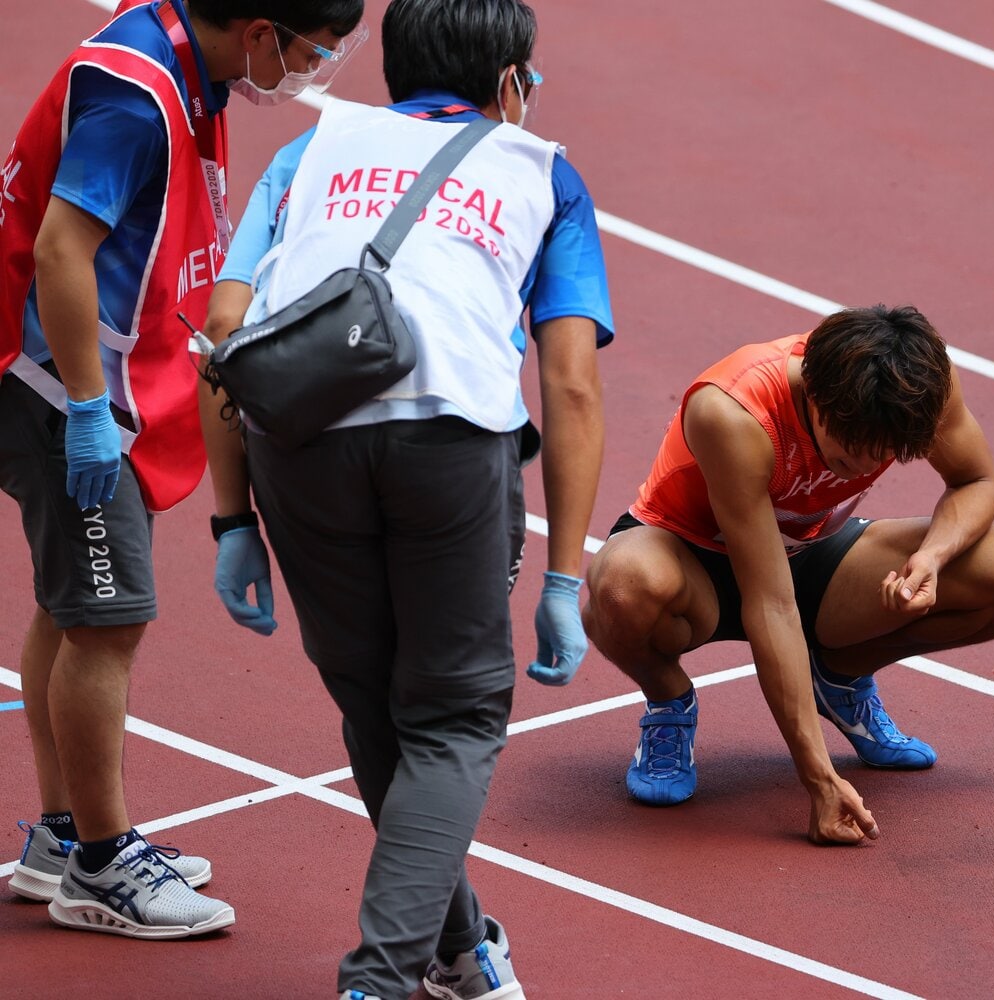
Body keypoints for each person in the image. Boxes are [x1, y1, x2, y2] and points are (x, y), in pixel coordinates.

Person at [197, 0, 612, 995]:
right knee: (459, 718)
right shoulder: (541, 168)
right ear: (511, 80)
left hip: (297, 441)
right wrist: (565, 573)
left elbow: (224, 324)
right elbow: (569, 382)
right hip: (449, 436)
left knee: (379, 708)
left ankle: (462, 953)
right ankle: (377, 979)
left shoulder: (313, 146)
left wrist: (231, 519)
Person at [0, 0, 365, 938]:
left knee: (72, 606)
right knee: (108, 623)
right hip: (58, 377)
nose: (312, 70)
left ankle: (62, 835)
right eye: (311, 51)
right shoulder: (138, 95)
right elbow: (59, 249)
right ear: (255, 30)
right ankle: (102, 866)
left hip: (69, 367)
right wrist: (84, 406)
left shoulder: (175, 41)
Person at [583, 305, 994, 844]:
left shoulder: (920, 383)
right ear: (816, 394)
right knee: (622, 584)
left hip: (809, 551)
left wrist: (932, 557)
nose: (864, 465)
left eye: (885, 454)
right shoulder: (734, 410)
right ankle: (669, 700)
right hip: (690, 559)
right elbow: (771, 603)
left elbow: (975, 481)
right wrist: (818, 778)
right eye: (852, 447)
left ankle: (841, 676)